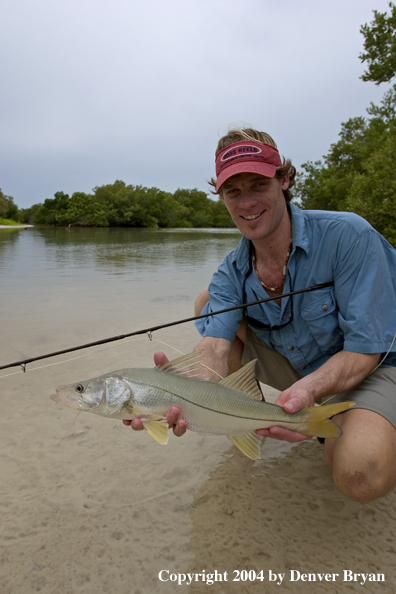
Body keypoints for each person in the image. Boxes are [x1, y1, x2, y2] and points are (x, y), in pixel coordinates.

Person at [124, 127, 396, 503]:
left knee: (358, 474)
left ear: (283, 180)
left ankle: (347, 420)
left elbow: (367, 349)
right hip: (302, 369)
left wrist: (308, 392)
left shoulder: (348, 236)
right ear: (221, 197)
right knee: (207, 304)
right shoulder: (230, 273)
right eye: (233, 191)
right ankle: (246, 418)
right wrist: (183, 391)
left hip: (375, 364)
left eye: (257, 185)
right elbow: (215, 348)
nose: (246, 202)